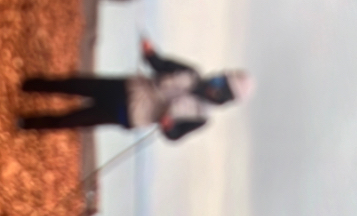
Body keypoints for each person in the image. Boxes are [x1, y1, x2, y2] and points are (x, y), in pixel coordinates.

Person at [17, 39, 254, 140]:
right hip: (124, 87)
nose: (216, 83)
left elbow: (175, 136)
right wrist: (149, 52)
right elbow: (161, 64)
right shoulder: (192, 72)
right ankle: (27, 85)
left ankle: (24, 123)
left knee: (71, 120)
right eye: (221, 78)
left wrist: (168, 127)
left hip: (126, 114)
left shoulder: (201, 118)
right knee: (73, 85)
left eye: (222, 86)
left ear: (225, 98)